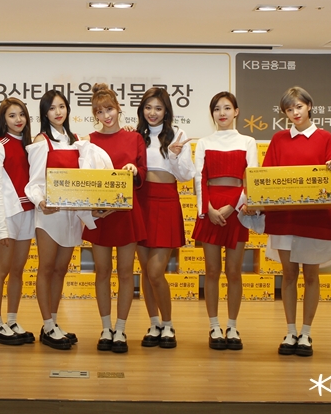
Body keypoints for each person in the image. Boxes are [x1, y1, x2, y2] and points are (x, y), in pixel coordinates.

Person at [261, 86, 331, 357]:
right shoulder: (278, 139)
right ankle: (290, 331)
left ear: (309, 106)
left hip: (314, 219)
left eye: (299, 106)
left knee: (311, 276)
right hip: (284, 218)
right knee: (288, 275)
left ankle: (306, 333)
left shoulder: (325, 137)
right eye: (289, 109)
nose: (295, 113)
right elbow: (266, 176)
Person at [24, 90, 93, 350]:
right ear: (45, 113)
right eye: (52, 108)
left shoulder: (76, 141)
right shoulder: (41, 141)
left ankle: (51, 324)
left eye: (61, 106)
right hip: (49, 214)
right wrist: (41, 202)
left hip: (72, 214)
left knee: (61, 270)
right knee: (47, 268)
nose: (58, 112)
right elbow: (33, 182)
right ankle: (47, 324)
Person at [83, 83, 147, 354]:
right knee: (102, 271)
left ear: (118, 108)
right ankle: (106, 327)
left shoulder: (135, 138)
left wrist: (134, 170)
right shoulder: (88, 141)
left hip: (126, 214)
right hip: (100, 215)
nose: (105, 116)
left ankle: (121, 329)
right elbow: (84, 178)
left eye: (109, 109)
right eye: (99, 112)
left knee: (125, 272)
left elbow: (143, 173)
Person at [192, 91, 257, 351]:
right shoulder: (204, 142)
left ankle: (232, 325)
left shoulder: (248, 141)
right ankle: (214, 326)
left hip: (237, 210)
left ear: (236, 111)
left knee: (233, 272)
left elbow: (251, 177)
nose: (222, 113)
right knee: (211, 271)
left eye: (227, 108)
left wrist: (233, 207)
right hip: (211, 207)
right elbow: (199, 178)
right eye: (217, 108)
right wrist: (208, 208)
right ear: (212, 114)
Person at [135, 87, 195, 349]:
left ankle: (168, 324)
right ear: (142, 110)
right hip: (140, 201)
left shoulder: (178, 135)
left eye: (158, 108)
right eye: (148, 107)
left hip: (166, 202)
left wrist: (174, 154)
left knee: (156, 272)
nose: (153, 113)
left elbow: (186, 175)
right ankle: (154, 323)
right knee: (145, 271)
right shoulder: (136, 136)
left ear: (166, 111)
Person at [0, 98, 35, 346]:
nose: (18, 120)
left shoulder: (30, 146)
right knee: (1, 271)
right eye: (12, 115)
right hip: (5, 214)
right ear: (3, 120)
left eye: (21, 114)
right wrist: (1, 227)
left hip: (27, 212)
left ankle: (12, 321)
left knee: (17, 271)